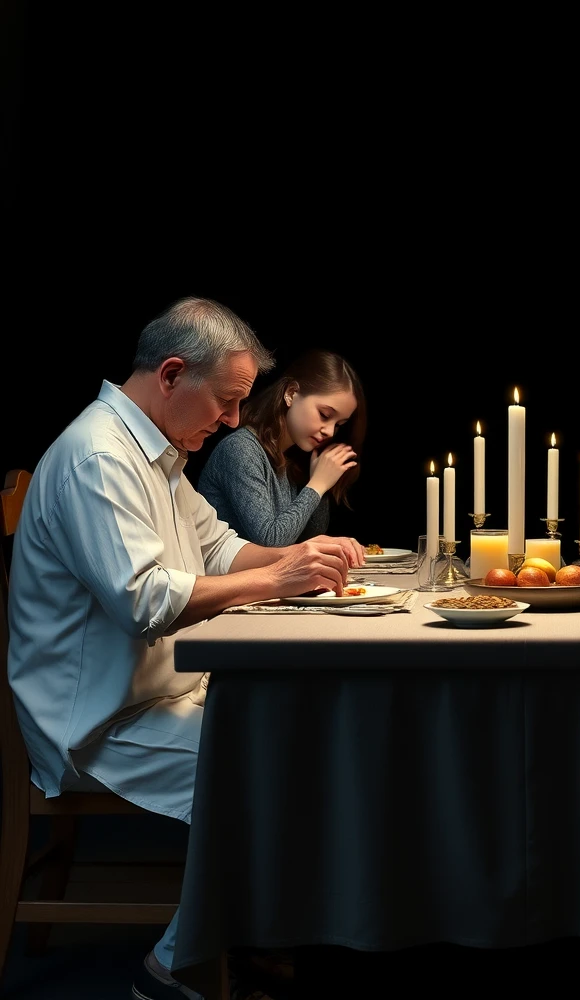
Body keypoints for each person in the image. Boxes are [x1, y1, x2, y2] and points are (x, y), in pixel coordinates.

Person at [5, 297, 364, 1000]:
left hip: (156, 693)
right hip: (97, 721)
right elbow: (144, 603)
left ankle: (256, 933)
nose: (234, 420)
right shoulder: (97, 456)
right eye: (227, 402)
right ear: (172, 374)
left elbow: (223, 548)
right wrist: (278, 578)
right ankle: (178, 965)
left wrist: (296, 554)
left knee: (309, 737)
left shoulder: (161, 453)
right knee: (277, 767)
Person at [197, 348, 367, 551]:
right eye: (324, 414)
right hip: (225, 580)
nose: (330, 431)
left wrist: (319, 483)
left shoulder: (286, 458)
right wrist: (317, 485)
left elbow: (307, 540)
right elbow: (272, 541)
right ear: (291, 394)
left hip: (265, 580)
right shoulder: (240, 449)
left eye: (339, 424)